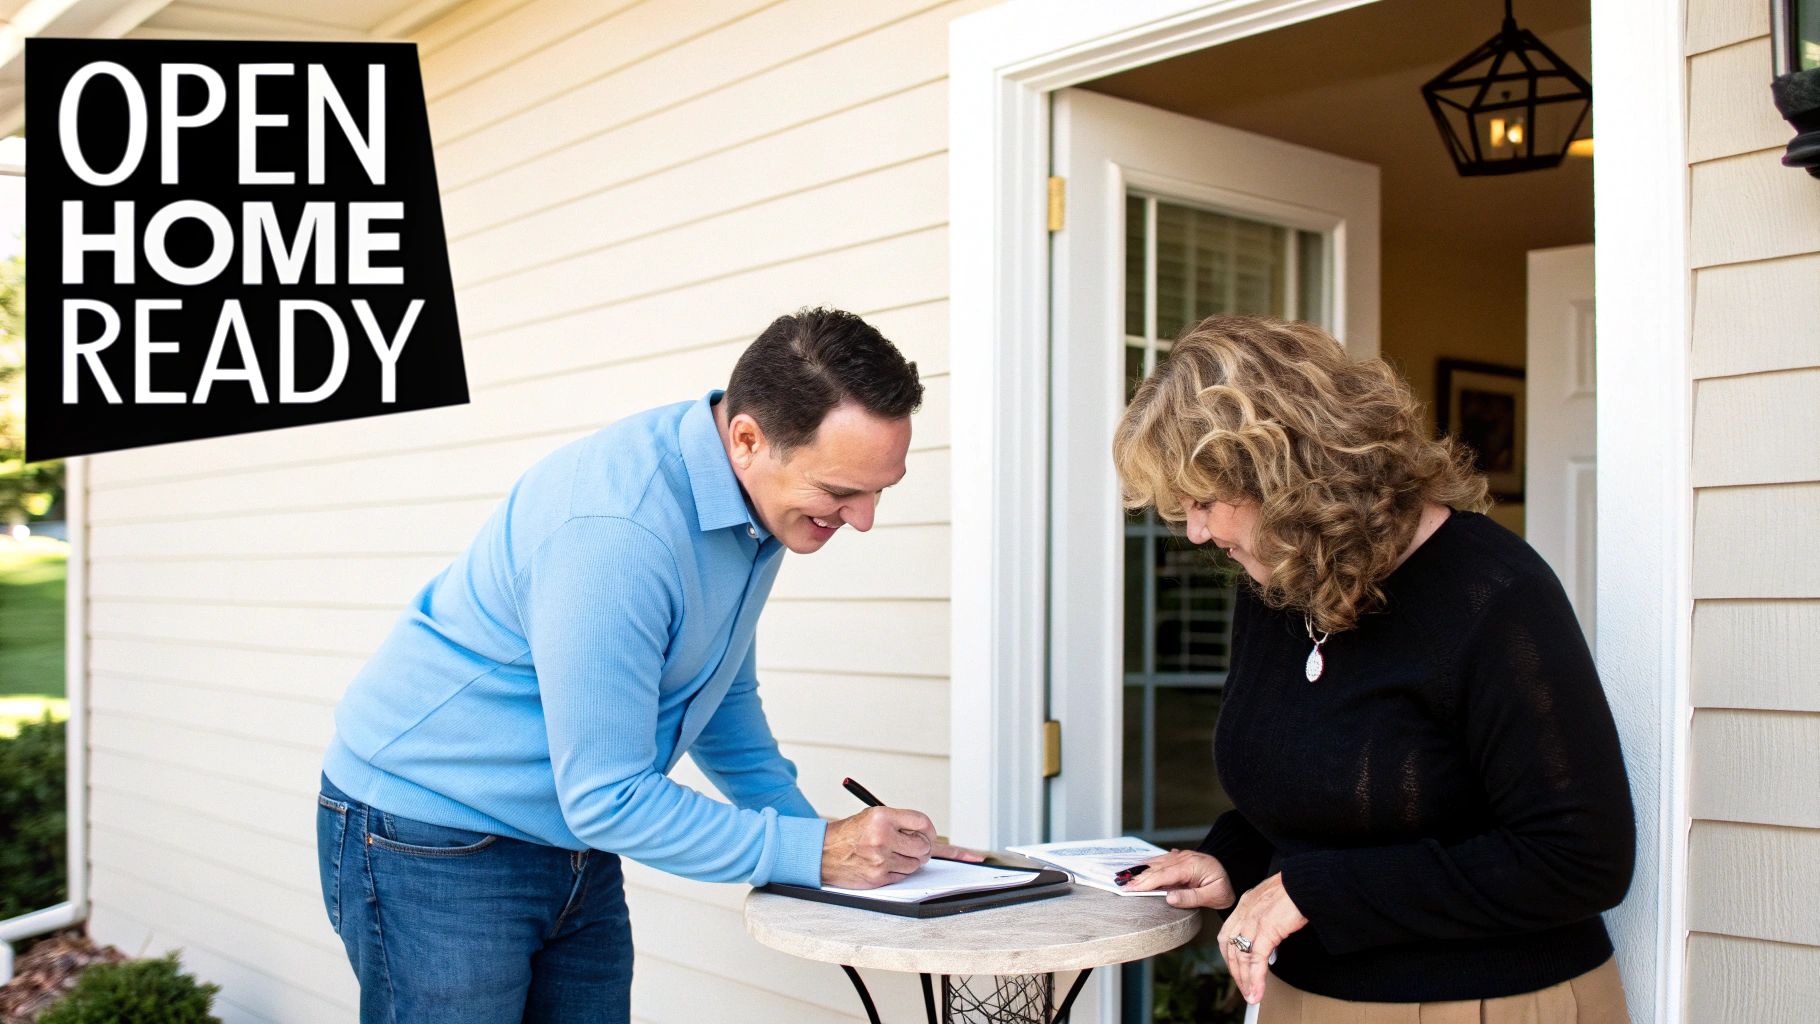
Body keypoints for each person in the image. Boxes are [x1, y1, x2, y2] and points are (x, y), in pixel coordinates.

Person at [315, 308, 975, 1024]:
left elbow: (721, 692)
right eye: (842, 492)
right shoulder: (618, 531)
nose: (863, 518)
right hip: (428, 833)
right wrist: (815, 851)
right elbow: (606, 795)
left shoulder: (757, 500)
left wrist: (832, 854)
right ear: (747, 438)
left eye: (880, 489)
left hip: (573, 833)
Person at [1113, 315, 1635, 1023]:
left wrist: (1313, 890)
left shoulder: (1494, 593)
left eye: (1204, 502)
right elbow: (1314, 785)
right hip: (1304, 996)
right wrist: (1230, 858)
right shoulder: (1275, 588)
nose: (1196, 532)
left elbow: (1580, 858)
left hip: (1486, 1002)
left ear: (1290, 476)